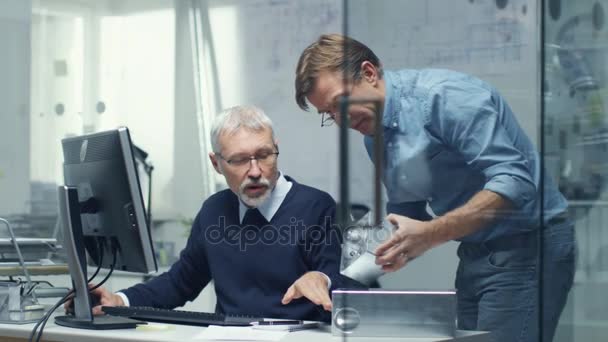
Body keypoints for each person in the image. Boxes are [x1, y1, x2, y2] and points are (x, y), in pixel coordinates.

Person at [294, 34, 575, 341]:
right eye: (329, 114)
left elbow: (516, 182)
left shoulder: (447, 98)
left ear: (369, 74)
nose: (341, 120)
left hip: (530, 246)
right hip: (475, 253)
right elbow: (403, 216)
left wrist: (431, 234)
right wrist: (330, 277)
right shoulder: (375, 138)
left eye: (339, 103)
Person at [69, 105, 351, 322]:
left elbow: (344, 279)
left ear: (276, 149)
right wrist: (119, 299)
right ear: (216, 163)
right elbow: (180, 283)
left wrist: (322, 279)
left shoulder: (316, 206)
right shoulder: (214, 211)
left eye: (264, 155)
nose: (254, 171)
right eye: (239, 160)